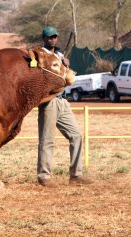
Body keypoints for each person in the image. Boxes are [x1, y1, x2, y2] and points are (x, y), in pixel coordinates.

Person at [37, 26, 93, 187]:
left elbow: (64, 76)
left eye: (54, 36)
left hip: (63, 100)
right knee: (47, 139)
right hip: (49, 101)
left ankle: (76, 175)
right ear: (44, 38)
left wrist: (66, 65)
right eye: (49, 37)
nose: (52, 39)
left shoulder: (59, 54)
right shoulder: (40, 55)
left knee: (76, 135)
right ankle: (44, 176)